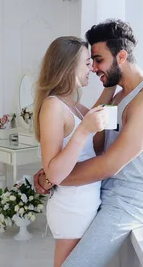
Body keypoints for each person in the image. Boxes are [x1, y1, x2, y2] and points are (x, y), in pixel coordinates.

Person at [34, 19, 143, 267]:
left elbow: (108, 164)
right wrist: (53, 171)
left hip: (127, 203)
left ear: (121, 56)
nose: (93, 67)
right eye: (89, 61)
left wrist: (54, 177)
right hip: (105, 193)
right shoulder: (121, 95)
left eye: (98, 59)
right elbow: (95, 142)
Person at [33, 36, 116, 267]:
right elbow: (55, 173)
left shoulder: (73, 106)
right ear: (69, 66)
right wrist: (82, 133)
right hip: (71, 210)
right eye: (87, 62)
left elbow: (96, 139)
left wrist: (111, 84)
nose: (92, 68)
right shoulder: (53, 106)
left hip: (83, 205)